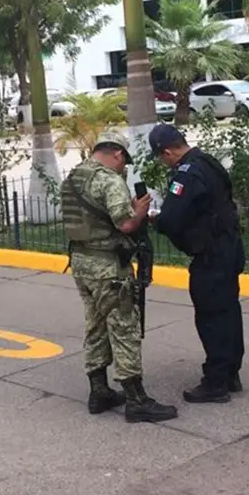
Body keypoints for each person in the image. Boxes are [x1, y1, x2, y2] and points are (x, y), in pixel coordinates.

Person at [60, 131, 179, 423]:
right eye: (124, 161)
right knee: (125, 327)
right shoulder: (109, 181)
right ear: (117, 154)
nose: (123, 167)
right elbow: (125, 224)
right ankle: (137, 400)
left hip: (81, 262)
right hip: (108, 267)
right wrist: (139, 210)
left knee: (96, 324)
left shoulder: (73, 178)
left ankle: (99, 391)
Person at [147, 123, 246, 403]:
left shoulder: (187, 174)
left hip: (210, 255)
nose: (164, 163)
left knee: (211, 316)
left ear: (167, 152)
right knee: (229, 311)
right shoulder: (209, 162)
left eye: (161, 158)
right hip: (229, 247)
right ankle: (230, 373)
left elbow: (171, 219)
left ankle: (215, 382)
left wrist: (155, 219)